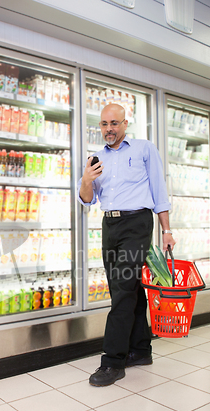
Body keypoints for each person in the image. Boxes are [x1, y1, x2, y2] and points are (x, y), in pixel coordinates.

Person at [78, 103, 176, 387]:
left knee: (122, 289)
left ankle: (113, 361)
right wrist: (86, 179)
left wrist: (166, 229)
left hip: (137, 223)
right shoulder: (96, 158)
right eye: (104, 124)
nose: (109, 129)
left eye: (114, 123)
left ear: (125, 123)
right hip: (110, 224)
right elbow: (86, 199)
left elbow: (159, 190)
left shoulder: (144, 149)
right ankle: (141, 349)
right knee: (126, 287)